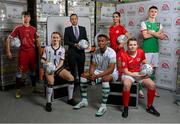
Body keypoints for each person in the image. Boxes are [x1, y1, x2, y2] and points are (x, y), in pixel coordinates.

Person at [73, 34, 118, 117]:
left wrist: (97, 76)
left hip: (112, 73)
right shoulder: (96, 52)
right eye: (99, 41)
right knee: (83, 76)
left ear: (107, 42)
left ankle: (103, 106)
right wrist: (91, 74)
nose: (100, 43)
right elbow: (93, 65)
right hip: (99, 71)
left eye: (102, 41)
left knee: (105, 79)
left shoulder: (112, 52)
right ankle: (84, 100)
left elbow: (111, 69)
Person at [121, 38, 160, 118]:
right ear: (127, 46)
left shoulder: (141, 52)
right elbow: (125, 71)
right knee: (126, 85)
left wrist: (149, 66)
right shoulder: (123, 55)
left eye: (134, 45)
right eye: (130, 45)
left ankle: (149, 107)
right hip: (129, 74)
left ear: (137, 45)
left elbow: (144, 61)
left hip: (139, 73)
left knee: (152, 85)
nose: (132, 46)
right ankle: (125, 107)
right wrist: (135, 75)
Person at [6, 11, 40, 98]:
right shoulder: (18, 28)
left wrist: (40, 52)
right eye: (24, 16)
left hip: (32, 52)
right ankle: (18, 90)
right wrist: (8, 51)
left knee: (33, 71)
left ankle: (34, 88)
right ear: (22, 18)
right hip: (23, 53)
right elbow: (8, 39)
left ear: (30, 18)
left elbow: (37, 42)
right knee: (19, 71)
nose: (26, 18)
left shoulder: (33, 29)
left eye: (28, 16)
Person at [41, 32, 76, 112]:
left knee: (71, 78)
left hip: (58, 68)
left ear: (60, 39)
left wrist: (56, 68)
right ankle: (48, 102)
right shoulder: (47, 48)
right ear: (51, 38)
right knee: (51, 81)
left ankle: (70, 99)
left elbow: (61, 62)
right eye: (54, 37)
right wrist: (46, 63)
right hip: (49, 69)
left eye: (57, 37)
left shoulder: (62, 49)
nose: (55, 39)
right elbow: (42, 59)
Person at [141, 6, 167, 97]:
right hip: (147, 49)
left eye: (155, 12)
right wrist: (156, 34)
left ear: (157, 13)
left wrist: (151, 32)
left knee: (153, 69)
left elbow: (162, 37)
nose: (153, 13)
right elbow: (145, 36)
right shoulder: (144, 23)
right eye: (152, 11)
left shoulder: (159, 24)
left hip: (155, 50)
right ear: (149, 12)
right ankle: (139, 89)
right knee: (144, 69)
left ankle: (151, 88)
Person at [64, 13, 88, 84]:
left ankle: (82, 83)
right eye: (72, 19)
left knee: (81, 69)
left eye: (75, 19)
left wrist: (86, 44)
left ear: (77, 19)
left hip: (81, 53)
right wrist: (74, 44)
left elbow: (85, 39)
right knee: (72, 70)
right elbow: (66, 41)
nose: (74, 20)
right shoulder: (67, 29)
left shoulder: (83, 28)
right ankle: (73, 84)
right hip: (72, 53)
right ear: (70, 21)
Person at [109, 11, 131, 78]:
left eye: (116, 17)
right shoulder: (111, 28)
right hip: (112, 49)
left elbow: (129, 36)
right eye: (113, 17)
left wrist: (123, 43)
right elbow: (112, 39)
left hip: (119, 49)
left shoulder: (121, 28)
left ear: (119, 18)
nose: (115, 18)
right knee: (112, 66)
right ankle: (113, 81)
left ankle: (120, 82)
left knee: (119, 66)